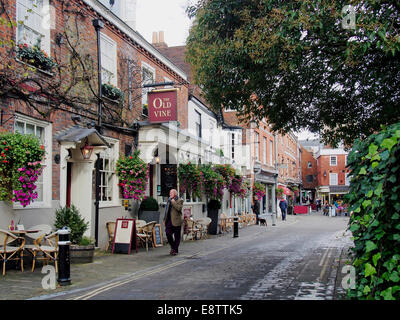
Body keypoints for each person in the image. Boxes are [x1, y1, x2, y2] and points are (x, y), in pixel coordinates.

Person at [163, 189, 184, 256]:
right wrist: (164, 219)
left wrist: (173, 202)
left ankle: (175, 250)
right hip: (169, 221)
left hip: (176, 221)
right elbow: (166, 210)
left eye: (171, 193)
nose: (170, 194)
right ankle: (173, 247)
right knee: (168, 233)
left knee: (177, 237)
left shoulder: (180, 200)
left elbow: (179, 208)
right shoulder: (169, 200)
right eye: (169, 193)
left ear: (175, 194)